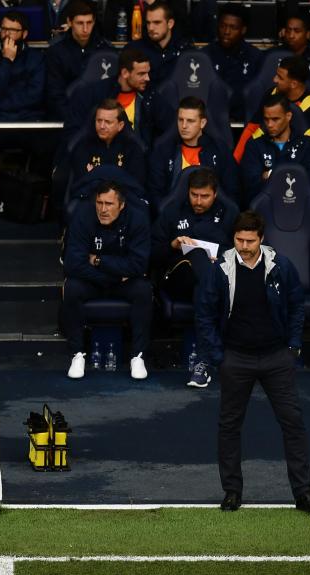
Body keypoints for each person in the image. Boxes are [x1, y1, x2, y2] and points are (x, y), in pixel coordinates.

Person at [194, 210, 310, 513]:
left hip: (276, 357)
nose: (243, 246)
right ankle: (231, 491)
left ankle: (304, 493)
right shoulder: (221, 270)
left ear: (261, 239)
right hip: (235, 358)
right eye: (239, 240)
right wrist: (218, 357)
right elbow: (204, 314)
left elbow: (296, 308)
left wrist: (293, 348)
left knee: (293, 423)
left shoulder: (281, 266)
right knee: (229, 426)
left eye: (250, 241)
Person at [62, 181, 152, 380]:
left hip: (122, 282)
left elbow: (138, 265)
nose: (103, 209)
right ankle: (77, 354)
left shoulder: (137, 220)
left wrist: (99, 260)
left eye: (109, 204)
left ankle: (138, 355)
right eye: (99, 203)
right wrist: (114, 275)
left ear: (121, 205)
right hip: (97, 281)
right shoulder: (82, 217)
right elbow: (73, 264)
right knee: (72, 287)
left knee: (143, 290)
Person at [151, 168, 238, 302]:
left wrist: (220, 256)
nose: (198, 201)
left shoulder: (229, 213)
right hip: (178, 276)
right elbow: (152, 254)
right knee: (197, 254)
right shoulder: (172, 211)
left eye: (204, 196)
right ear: (188, 191)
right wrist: (172, 246)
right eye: (194, 195)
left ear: (215, 194)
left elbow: (239, 250)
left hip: (218, 271)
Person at [148, 96, 238, 206]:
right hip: (174, 214)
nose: (184, 126)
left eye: (190, 121)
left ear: (203, 123)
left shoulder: (219, 149)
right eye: (181, 120)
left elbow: (232, 191)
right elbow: (155, 193)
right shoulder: (163, 150)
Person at [239, 94, 310, 206]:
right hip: (266, 208)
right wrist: (294, 174)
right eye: (266, 119)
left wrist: (269, 174)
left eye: (275, 119)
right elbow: (251, 185)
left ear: (288, 116)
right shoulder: (254, 145)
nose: (269, 125)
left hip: (301, 206)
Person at [63, 48, 152, 145]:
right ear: (125, 73)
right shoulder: (90, 94)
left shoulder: (149, 96)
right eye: (141, 74)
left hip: (133, 155)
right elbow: (72, 136)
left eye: (147, 73)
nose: (147, 78)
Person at [44, 0, 111, 121]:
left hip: (100, 120)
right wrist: (72, 118)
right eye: (80, 23)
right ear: (69, 22)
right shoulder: (56, 52)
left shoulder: (105, 50)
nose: (85, 29)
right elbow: (55, 94)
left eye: (89, 23)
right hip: (67, 119)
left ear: (94, 21)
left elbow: (110, 90)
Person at [0, 11, 45, 122]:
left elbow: (34, 97)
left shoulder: (36, 58)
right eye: (3, 29)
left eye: (13, 30)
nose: (7, 34)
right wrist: (7, 61)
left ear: (24, 34)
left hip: (27, 119)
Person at [202, 3, 265, 121]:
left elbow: (257, 94)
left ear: (243, 30)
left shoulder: (255, 57)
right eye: (223, 26)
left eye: (233, 27)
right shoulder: (205, 55)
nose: (226, 31)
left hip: (245, 121)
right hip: (211, 121)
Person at [69, 99, 146, 187]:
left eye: (108, 122)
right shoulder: (83, 146)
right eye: (99, 121)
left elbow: (135, 184)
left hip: (123, 198)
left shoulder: (132, 148)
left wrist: (95, 174)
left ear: (120, 126)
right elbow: (80, 184)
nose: (102, 126)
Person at [123, 1, 192, 83]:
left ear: (170, 24)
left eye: (157, 22)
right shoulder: (134, 50)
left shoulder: (185, 51)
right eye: (148, 23)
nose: (151, 28)